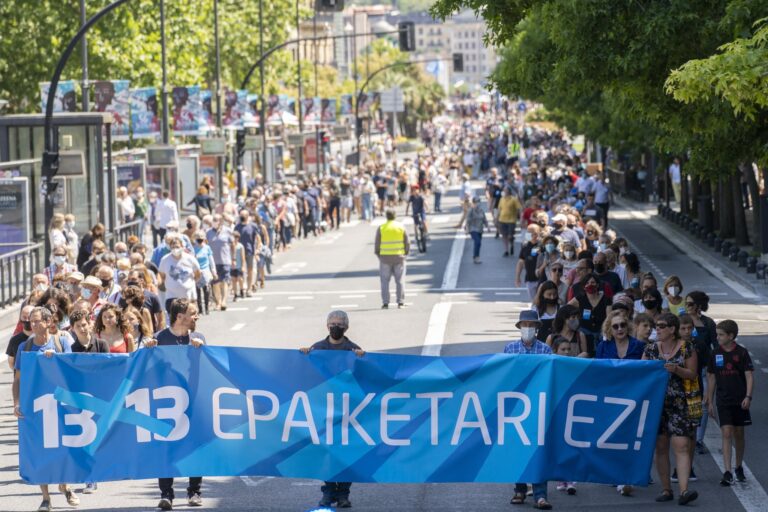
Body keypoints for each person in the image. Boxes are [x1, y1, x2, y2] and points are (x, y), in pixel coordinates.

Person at [12, 307, 79, 512]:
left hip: (61, 404)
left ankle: (65, 485)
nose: (33, 325)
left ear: (49, 321)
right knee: (40, 451)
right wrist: (16, 402)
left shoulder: (62, 342)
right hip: (37, 408)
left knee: (66, 448)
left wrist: (56, 359)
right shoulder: (26, 347)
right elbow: (17, 380)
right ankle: (46, 497)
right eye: (30, 322)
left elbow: (73, 370)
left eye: (37, 321)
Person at [299, 311, 365, 508]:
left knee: (345, 452)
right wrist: (304, 356)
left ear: (346, 327)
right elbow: (306, 373)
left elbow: (363, 376)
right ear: (327, 325)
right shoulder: (318, 348)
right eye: (333, 323)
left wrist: (362, 358)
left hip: (346, 410)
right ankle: (328, 492)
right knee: (326, 452)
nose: (336, 327)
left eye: (339, 323)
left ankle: (343, 493)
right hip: (324, 410)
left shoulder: (353, 349)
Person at [144, 299, 205, 510]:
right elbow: (145, 367)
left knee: (194, 447)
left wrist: (201, 350)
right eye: (193, 313)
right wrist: (148, 348)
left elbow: (208, 367)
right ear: (180, 316)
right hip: (167, 402)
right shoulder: (159, 339)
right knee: (166, 447)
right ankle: (166, 494)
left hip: (192, 399)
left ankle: (194, 492)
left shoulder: (198, 338)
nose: (197, 316)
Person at [642, 313, 699, 506]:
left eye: (661, 326)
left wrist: (676, 370)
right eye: (656, 325)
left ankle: (684, 490)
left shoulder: (687, 348)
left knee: (682, 445)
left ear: (672, 329)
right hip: (657, 405)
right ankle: (666, 489)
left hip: (680, 404)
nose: (657, 328)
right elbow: (640, 373)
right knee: (661, 447)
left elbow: (692, 374)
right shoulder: (650, 349)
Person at [504, 310, 552, 510]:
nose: (528, 329)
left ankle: (540, 495)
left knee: (538, 450)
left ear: (537, 328)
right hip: (516, 407)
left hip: (538, 405)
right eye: (524, 325)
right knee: (518, 449)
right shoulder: (510, 348)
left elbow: (549, 376)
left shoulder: (546, 351)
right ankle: (520, 490)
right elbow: (505, 376)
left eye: (531, 325)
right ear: (520, 327)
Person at [706, 319, 753, 486]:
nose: (717, 337)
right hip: (723, 400)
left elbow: (748, 375)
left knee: (738, 433)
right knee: (726, 433)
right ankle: (727, 471)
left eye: (721, 335)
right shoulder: (715, 353)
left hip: (740, 400)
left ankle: (738, 466)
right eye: (717, 334)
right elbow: (711, 376)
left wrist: (748, 396)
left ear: (731, 336)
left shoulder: (741, 353)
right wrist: (709, 400)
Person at [374, 209, 410, 309]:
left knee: (385, 281)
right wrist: (405, 254)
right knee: (400, 281)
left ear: (386, 216)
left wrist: (379, 255)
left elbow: (377, 244)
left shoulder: (382, 228)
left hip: (385, 258)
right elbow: (407, 242)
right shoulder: (401, 227)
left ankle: (385, 303)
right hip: (399, 257)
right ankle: (400, 302)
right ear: (395, 216)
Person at [158, 234, 201, 315]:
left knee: (189, 319)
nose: (175, 249)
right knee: (174, 321)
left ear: (182, 246)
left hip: (188, 296)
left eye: (177, 247)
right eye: (173, 247)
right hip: (171, 296)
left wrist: (191, 283)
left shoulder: (190, 258)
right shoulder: (165, 259)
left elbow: (198, 273)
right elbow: (162, 274)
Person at [207, 215, 235, 311]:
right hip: (213, 262)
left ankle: (224, 301)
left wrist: (234, 258)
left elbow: (233, 245)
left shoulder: (227, 231)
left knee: (224, 282)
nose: (214, 221)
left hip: (225, 260)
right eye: (213, 220)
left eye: (216, 220)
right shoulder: (208, 232)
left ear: (221, 221)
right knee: (215, 283)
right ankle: (218, 302)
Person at [516, 224, 542, 300]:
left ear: (537, 233)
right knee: (534, 301)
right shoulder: (525, 245)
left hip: (541, 278)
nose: (529, 234)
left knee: (541, 300)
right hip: (530, 278)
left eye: (531, 232)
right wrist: (517, 277)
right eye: (528, 231)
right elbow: (521, 262)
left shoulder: (542, 245)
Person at [5, 305, 35, 370]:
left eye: (29, 317)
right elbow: (11, 363)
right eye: (24, 317)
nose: (27, 320)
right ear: (20, 318)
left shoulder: (41, 338)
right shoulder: (14, 340)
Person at [463, 196, 489, 264]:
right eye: (477, 202)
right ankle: (476, 257)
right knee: (477, 242)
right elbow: (467, 221)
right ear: (474, 203)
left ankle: (476, 256)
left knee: (478, 244)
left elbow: (484, 219)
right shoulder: (471, 210)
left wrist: (488, 227)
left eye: (479, 202)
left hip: (480, 229)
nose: (478, 203)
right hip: (473, 229)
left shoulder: (481, 210)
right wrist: (467, 230)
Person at [498, 187, 522, 256]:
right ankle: (506, 250)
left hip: (511, 220)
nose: (505, 192)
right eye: (504, 190)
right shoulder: (501, 199)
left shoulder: (514, 199)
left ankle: (511, 244)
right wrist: (496, 218)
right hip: (502, 220)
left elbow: (519, 208)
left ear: (509, 191)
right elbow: (500, 209)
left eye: (506, 190)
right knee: (504, 235)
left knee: (510, 236)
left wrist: (519, 217)